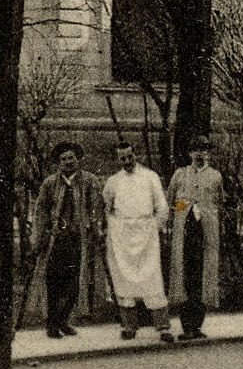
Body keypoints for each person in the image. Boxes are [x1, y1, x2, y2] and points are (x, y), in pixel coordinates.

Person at [102, 140, 174, 343]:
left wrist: (153, 228)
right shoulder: (113, 181)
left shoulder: (150, 177)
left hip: (146, 234)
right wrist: (113, 228)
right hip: (122, 236)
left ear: (136, 154)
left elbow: (162, 207)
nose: (127, 161)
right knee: (124, 280)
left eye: (130, 157)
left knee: (152, 278)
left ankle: (162, 327)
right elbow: (106, 207)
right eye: (122, 158)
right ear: (118, 159)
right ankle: (129, 326)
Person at [29, 140, 102, 338]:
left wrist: (97, 230)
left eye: (71, 158)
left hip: (80, 239)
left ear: (78, 159)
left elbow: (96, 208)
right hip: (57, 240)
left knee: (76, 282)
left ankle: (63, 319)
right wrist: (39, 236)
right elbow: (41, 210)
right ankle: (53, 324)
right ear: (58, 163)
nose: (68, 162)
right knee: (54, 282)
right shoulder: (50, 183)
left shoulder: (89, 181)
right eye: (63, 159)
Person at [167, 135, 223, 340]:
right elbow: (173, 202)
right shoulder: (180, 175)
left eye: (204, 149)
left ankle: (197, 325)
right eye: (196, 149)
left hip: (206, 235)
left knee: (202, 276)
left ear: (209, 153)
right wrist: (187, 206)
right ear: (190, 153)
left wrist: (205, 211)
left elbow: (218, 203)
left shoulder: (216, 176)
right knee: (186, 276)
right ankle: (186, 325)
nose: (200, 153)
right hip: (186, 233)